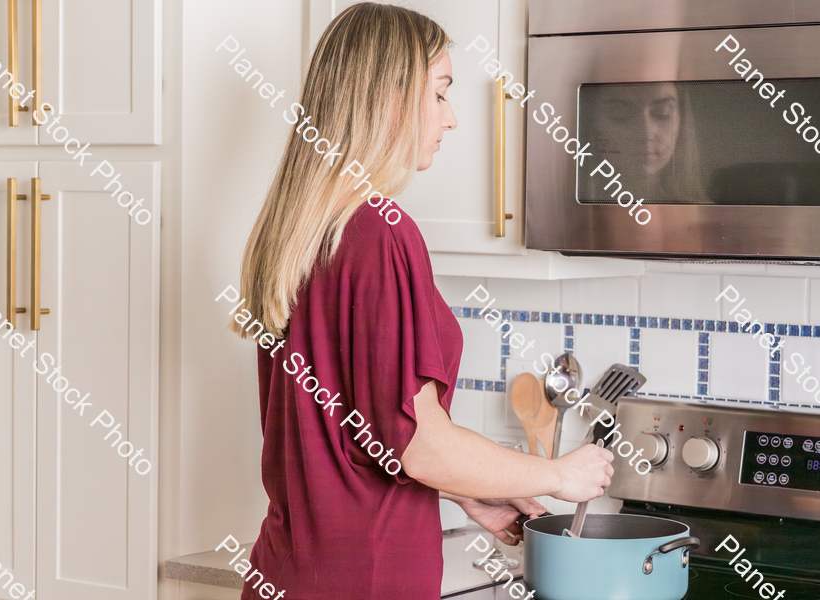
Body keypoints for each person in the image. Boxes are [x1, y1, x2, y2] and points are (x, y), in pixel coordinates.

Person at [229, 4, 614, 599]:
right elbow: (421, 443)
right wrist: (558, 474)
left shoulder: (299, 230)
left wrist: (468, 490)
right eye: (439, 94)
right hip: (369, 581)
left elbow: (370, 432)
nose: (453, 118)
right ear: (389, 98)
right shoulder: (381, 231)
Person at [581, 82, 707, 204]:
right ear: (593, 122)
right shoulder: (575, 206)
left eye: (663, 112)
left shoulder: (704, 215)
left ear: (681, 121)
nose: (646, 132)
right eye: (619, 112)